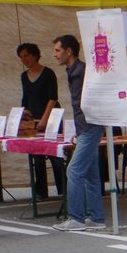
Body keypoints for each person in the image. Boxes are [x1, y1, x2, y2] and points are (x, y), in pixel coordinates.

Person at [49, 33, 106, 232]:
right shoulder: (74, 70)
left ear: (69, 51)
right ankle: (97, 217)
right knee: (90, 174)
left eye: (57, 50)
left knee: (74, 170)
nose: (54, 54)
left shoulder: (81, 71)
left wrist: (85, 127)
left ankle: (76, 218)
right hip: (86, 127)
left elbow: (90, 99)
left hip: (90, 126)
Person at [17, 42, 65, 200]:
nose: (24, 59)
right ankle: (41, 191)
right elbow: (25, 99)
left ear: (35, 55)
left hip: (52, 118)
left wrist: (45, 119)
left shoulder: (48, 73)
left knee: (55, 156)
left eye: (27, 55)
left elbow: (53, 98)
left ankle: (63, 189)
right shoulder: (24, 76)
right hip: (34, 119)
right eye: (22, 56)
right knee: (37, 157)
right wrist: (23, 116)